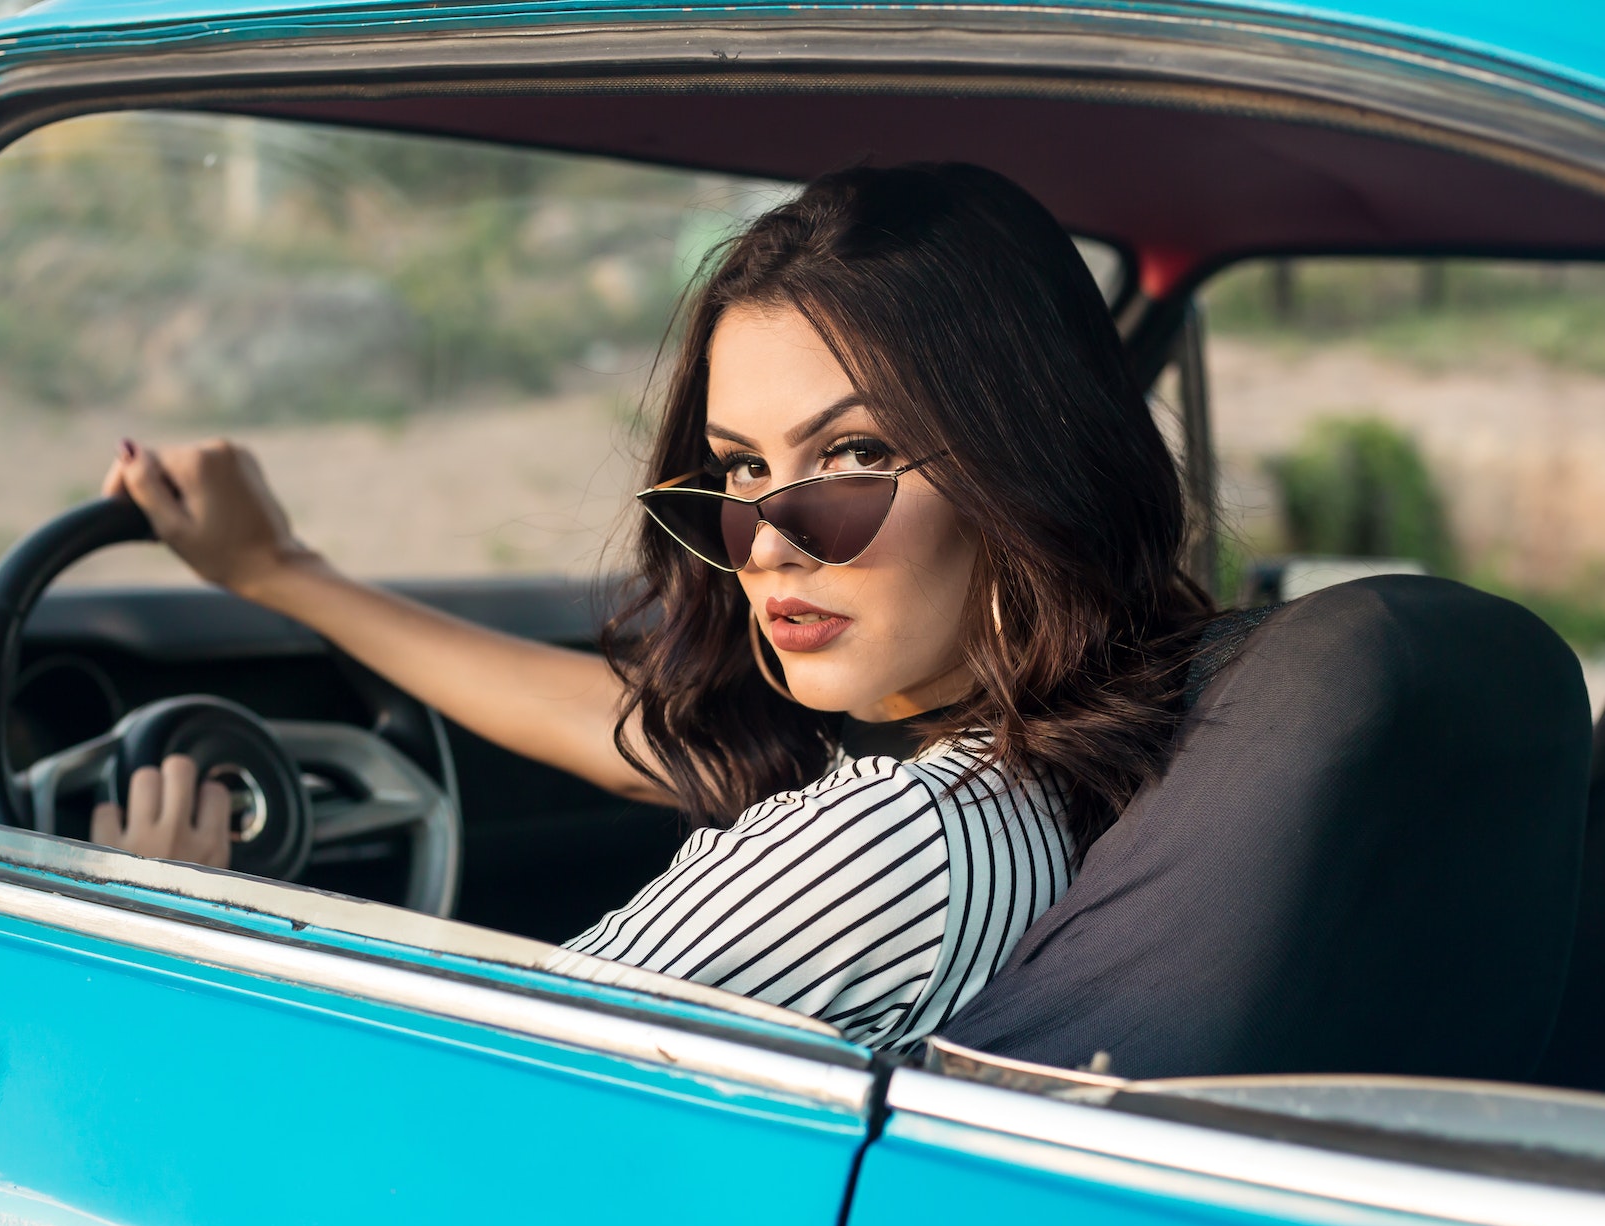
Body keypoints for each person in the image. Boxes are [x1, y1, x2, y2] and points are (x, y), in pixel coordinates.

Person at [91, 163, 1212, 1052]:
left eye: (853, 453)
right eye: (738, 469)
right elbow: (652, 735)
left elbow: (434, 1108)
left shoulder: (887, 846)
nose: (767, 544)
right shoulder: (1077, 765)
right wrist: (280, 571)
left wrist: (168, 917)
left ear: (1028, 468)